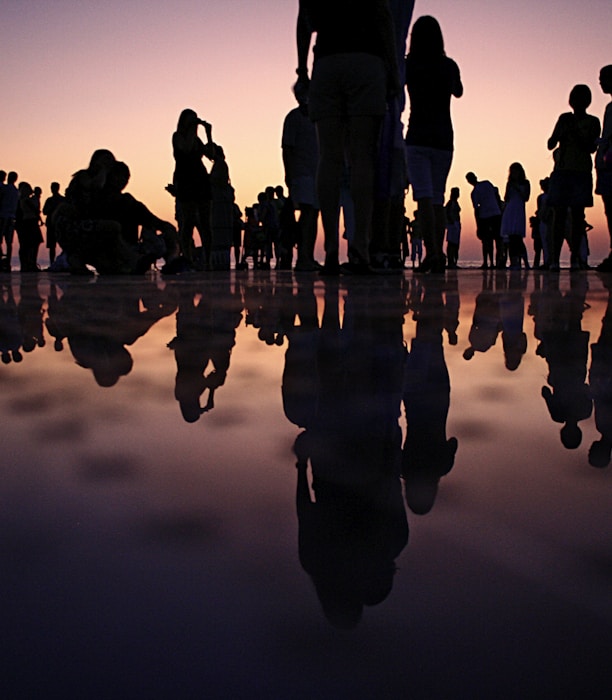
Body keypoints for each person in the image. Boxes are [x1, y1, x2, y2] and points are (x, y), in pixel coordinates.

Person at [296, 0, 400, 274]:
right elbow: (383, 16)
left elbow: (304, 18)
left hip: (328, 61)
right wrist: (393, 68)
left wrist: (302, 70)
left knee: (328, 158)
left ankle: (331, 249)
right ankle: (360, 250)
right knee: (362, 158)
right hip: (367, 60)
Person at [404, 15, 463, 274]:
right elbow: (458, 91)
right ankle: (436, 254)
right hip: (443, 138)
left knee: (424, 199)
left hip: (418, 136)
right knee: (437, 198)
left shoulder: (411, 64)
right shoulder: (448, 65)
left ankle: (433, 255)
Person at [547, 84, 600, 270]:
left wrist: (575, 133)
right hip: (562, 171)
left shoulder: (593, 122)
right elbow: (550, 143)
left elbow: (591, 148)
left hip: (581, 172)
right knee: (558, 215)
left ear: (587, 101)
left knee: (578, 216)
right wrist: (561, 131)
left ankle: (575, 258)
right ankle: (554, 259)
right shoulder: (564, 118)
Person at [281, 80, 320, 271]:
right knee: (307, 213)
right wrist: (288, 174)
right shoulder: (293, 118)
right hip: (301, 174)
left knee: (314, 214)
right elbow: (287, 149)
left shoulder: (318, 117)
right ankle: (303, 257)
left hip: (317, 173)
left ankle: (308, 256)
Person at [171, 108, 216, 269]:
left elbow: (211, 155)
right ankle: (188, 259)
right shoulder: (178, 137)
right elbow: (186, 149)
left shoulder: (197, 140)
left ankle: (208, 260)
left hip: (200, 179)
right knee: (188, 221)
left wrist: (209, 135)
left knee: (206, 223)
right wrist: (192, 130)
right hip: (186, 181)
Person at [465, 172, 503, 269]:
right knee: (493, 240)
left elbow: (476, 209)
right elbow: (496, 196)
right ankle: (491, 262)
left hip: (488, 216)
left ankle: (492, 262)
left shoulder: (478, 189)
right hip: (492, 214)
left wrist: (478, 225)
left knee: (491, 240)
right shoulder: (486, 184)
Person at [595, 65, 612, 272]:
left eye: (604, 78)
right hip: (605, 165)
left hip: (609, 164)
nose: (600, 82)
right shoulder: (609, 108)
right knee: (609, 209)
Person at [500, 162, 531, 270]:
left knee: (517, 238)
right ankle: (514, 262)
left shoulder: (526, 183)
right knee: (510, 238)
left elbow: (526, 197)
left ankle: (524, 262)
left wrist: (517, 188)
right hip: (510, 209)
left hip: (518, 210)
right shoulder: (509, 184)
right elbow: (506, 197)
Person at [15, 182, 43, 272]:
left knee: (30, 244)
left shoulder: (25, 200)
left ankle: (29, 264)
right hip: (28, 223)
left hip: (29, 222)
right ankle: (28, 264)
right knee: (28, 244)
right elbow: (35, 210)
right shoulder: (25, 200)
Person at [0, 171, 19, 271]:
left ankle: (3, 262)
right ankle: (7, 262)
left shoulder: (5, 189)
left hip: (3, 216)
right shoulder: (16, 191)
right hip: (11, 217)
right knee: (9, 242)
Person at [42, 182, 65, 265]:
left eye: (53, 188)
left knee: (63, 245)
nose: (52, 190)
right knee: (52, 246)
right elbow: (44, 211)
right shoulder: (50, 200)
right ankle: (52, 263)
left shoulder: (62, 200)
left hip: (60, 224)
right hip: (52, 224)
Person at [444, 186, 461, 268]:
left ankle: (453, 262)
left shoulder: (454, 202)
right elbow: (446, 213)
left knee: (455, 244)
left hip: (455, 224)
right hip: (453, 225)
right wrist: (451, 222)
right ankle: (451, 262)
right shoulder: (451, 203)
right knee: (452, 244)